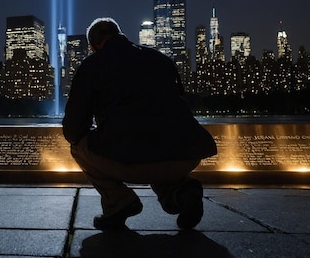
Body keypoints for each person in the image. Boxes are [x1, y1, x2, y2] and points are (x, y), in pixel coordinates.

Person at [62, 17, 217, 230]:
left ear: (92, 46)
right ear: (121, 34)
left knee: (78, 146)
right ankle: (181, 194)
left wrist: (101, 132)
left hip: (133, 155)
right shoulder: (160, 59)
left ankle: (118, 202)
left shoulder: (92, 65)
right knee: (155, 146)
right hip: (186, 153)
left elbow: (72, 128)